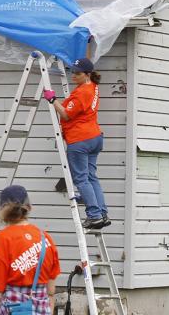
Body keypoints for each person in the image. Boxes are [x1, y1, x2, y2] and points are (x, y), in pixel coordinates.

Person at [0, 185, 60, 315]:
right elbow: (50, 291)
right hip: (42, 309)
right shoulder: (46, 238)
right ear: (28, 207)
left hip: (13, 308)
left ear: (2, 209)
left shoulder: (2, 239)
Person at [49, 57, 109, 230]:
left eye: (77, 73)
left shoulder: (83, 92)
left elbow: (67, 115)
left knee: (81, 179)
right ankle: (102, 214)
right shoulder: (92, 87)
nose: (73, 75)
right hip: (94, 137)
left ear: (87, 74)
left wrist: (53, 100)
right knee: (91, 177)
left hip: (80, 139)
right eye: (72, 71)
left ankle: (94, 216)